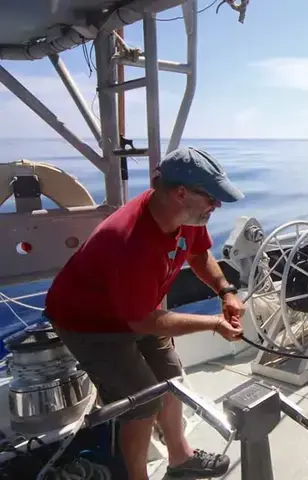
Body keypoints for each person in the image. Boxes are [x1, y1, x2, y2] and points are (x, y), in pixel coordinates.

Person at [44, 147, 246, 480]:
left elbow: (198, 255)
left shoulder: (184, 215)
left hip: (134, 307)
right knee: (140, 402)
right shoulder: (128, 240)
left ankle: (181, 460)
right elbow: (144, 321)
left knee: (171, 378)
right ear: (181, 193)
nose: (217, 206)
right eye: (211, 198)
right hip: (89, 322)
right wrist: (213, 323)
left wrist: (225, 291)